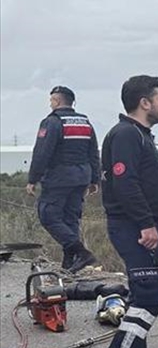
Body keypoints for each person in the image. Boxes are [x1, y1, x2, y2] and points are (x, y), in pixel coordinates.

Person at [95, 75, 158, 348]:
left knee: (143, 296)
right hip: (133, 227)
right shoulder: (127, 134)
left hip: (144, 224)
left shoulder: (140, 135)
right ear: (145, 102)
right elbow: (124, 184)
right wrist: (145, 224)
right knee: (151, 295)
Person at [27, 85, 100, 273]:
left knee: (48, 216)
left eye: (51, 100)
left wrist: (33, 178)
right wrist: (94, 179)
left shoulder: (52, 122)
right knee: (70, 218)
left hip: (59, 177)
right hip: (81, 177)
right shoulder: (85, 122)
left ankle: (81, 252)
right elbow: (93, 151)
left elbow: (42, 152)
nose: (50, 103)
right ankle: (70, 263)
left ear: (57, 101)